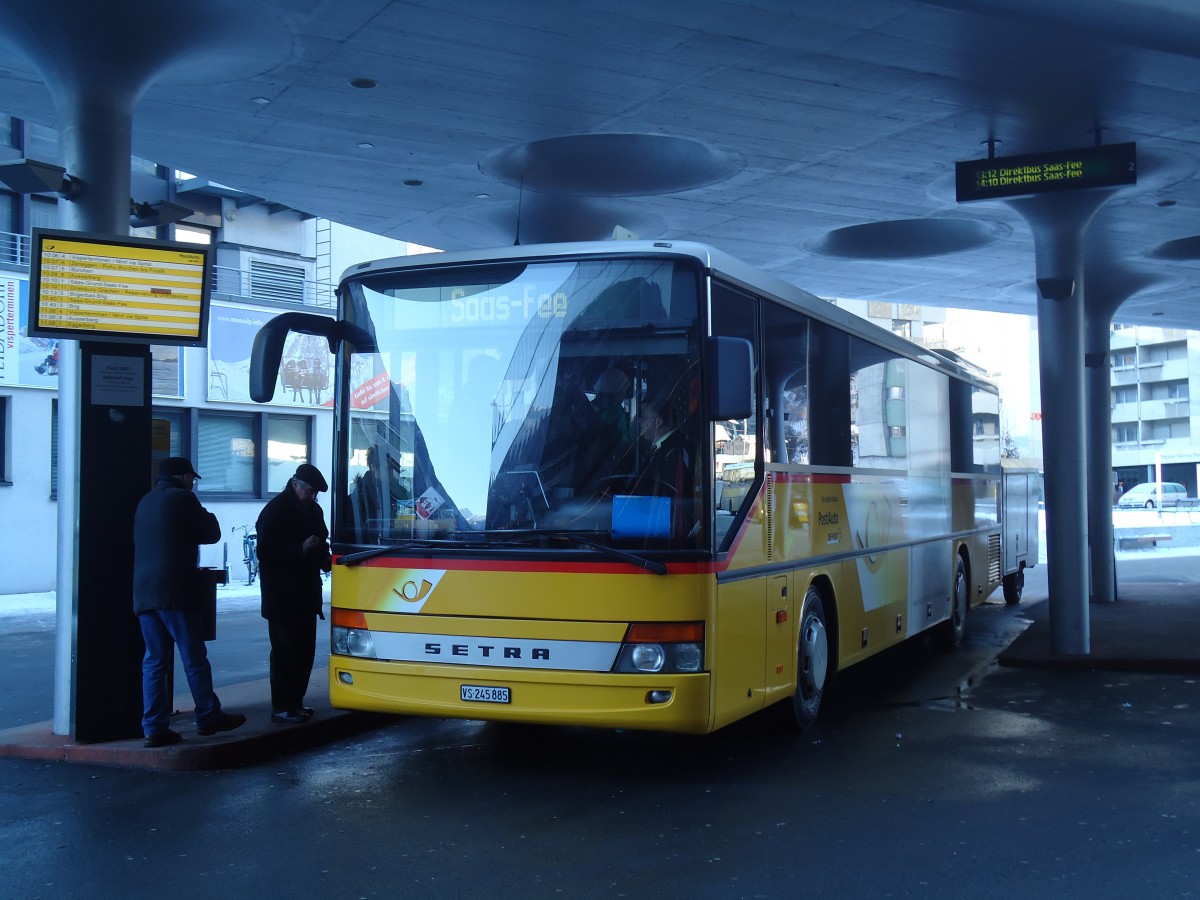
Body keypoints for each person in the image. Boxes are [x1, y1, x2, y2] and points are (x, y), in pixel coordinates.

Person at [133, 456, 247, 748]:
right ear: (185, 477)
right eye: (192, 479)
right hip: (176, 592)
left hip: (145, 595)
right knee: (193, 657)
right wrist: (206, 513)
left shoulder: (145, 501)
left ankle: (154, 727)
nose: (193, 484)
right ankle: (208, 715)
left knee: (154, 661)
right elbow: (212, 533)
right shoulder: (183, 499)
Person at [256, 463, 332, 724]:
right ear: (294, 484)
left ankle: (296, 702)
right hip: (282, 598)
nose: (312, 497)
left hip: (305, 594)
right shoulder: (275, 511)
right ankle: (282, 706)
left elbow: (322, 539)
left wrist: (325, 558)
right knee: (285, 653)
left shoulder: (312, 509)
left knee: (304, 652)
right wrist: (300, 549)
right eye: (309, 491)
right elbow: (265, 553)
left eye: (315, 493)